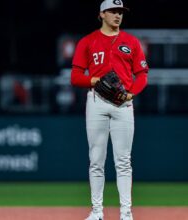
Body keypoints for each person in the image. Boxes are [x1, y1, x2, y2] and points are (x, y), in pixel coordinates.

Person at [70, 0, 148, 219]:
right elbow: (75, 77)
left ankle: (126, 213)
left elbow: (142, 75)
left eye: (120, 12)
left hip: (123, 104)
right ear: (101, 14)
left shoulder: (131, 42)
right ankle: (97, 212)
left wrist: (131, 93)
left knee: (123, 161)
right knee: (96, 160)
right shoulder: (87, 41)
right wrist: (95, 80)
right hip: (96, 102)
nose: (118, 15)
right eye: (113, 11)